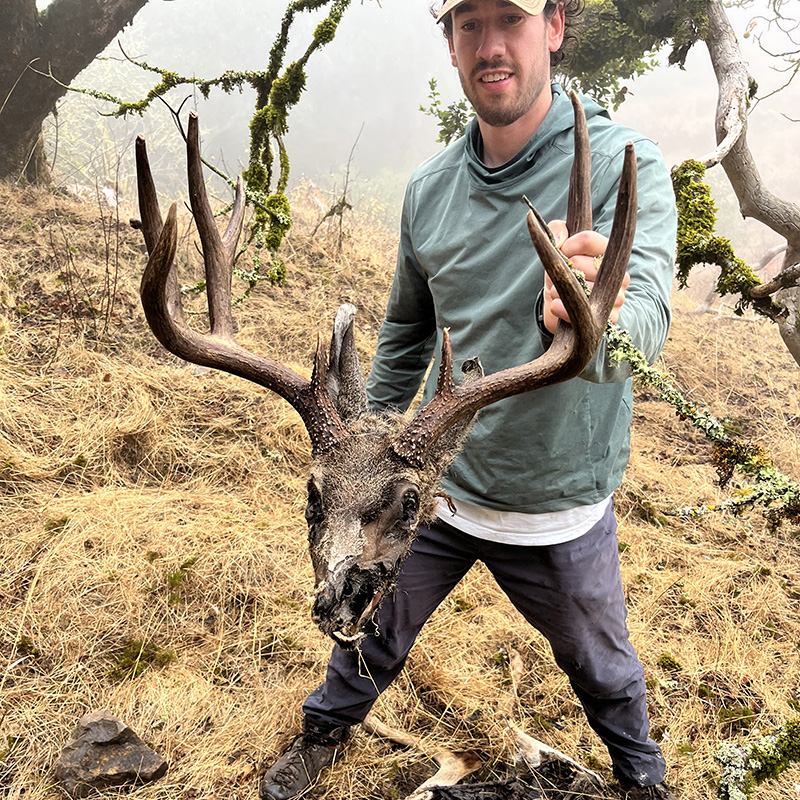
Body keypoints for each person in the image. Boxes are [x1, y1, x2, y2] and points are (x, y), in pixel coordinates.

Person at [259, 1, 678, 798]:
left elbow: (646, 334)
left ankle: (641, 772)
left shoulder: (630, 164)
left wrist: (599, 318)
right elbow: (406, 341)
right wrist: (358, 455)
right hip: (432, 497)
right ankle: (324, 731)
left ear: (554, 24)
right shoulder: (431, 191)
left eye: (511, 19)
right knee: (368, 621)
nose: (490, 45)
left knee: (601, 663)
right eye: (468, 23)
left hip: (557, 501)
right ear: (448, 40)